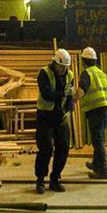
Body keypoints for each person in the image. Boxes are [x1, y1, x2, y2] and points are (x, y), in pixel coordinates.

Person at [34, 48, 77, 193]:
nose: (64, 70)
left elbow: (70, 94)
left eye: (66, 67)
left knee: (63, 148)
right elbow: (47, 94)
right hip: (45, 116)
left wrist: (70, 104)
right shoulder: (44, 73)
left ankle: (55, 179)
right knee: (45, 148)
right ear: (55, 63)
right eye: (61, 67)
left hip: (61, 116)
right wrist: (64, 93)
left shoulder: (69, 75)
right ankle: (40, 180)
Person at [78, 46, 107, 178]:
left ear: (83, 61)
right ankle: (96, 164)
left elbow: (81, 91)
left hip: (96, 110)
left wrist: (71, 100)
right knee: (98, 138)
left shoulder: (87, 73)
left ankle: (103, 171)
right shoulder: (102, 73)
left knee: (97, 140)